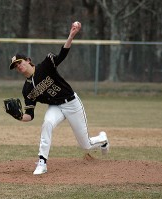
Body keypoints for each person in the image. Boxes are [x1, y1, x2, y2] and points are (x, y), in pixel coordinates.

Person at [8, 21, 109, 175]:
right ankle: (42, 162)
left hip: (72, 103)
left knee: (85, 145)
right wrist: (20, 117)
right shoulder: (27, 89)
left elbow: (62, 54)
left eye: (19, 63)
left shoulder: (46, 65)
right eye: (15, 66)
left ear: (28, 60)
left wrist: (71, 35)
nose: (18, 67)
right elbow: (30, 115)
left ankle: (102, 139)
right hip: (55, 107)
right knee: (47, 123)